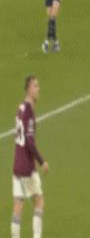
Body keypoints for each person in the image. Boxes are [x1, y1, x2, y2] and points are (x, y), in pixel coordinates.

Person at [11, 75, 49, 238]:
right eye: (36, 86)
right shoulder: (29, 112)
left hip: (17, 165)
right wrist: (42, 161)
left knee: (18, 205)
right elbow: (29, 141)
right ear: (29, 90)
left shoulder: (20, 108)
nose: (38, 89)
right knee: (39, 201)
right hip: (27, 167)